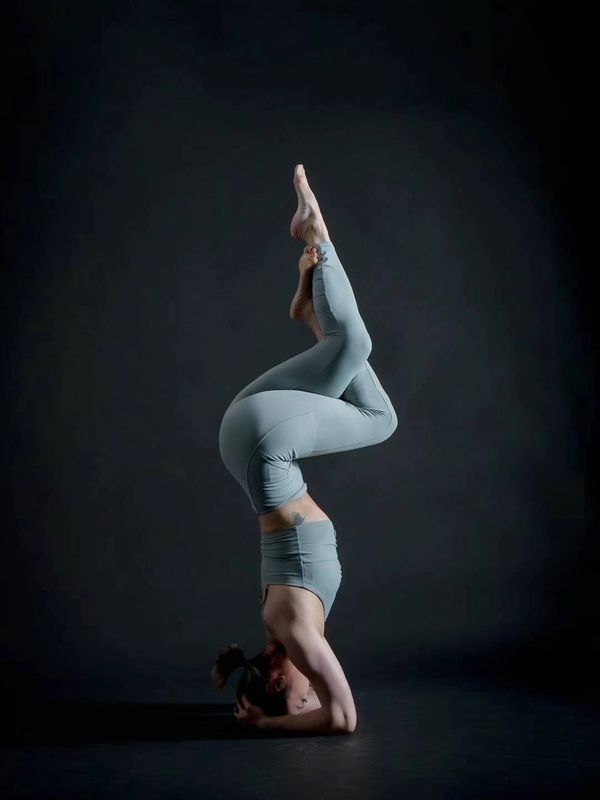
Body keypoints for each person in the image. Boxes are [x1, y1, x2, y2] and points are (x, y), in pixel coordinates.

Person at [212, 164, 398, 734]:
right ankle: (312, 320)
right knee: (375, 405)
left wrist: (266, 725)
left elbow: (341, 719)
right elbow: (310, 699)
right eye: (305, 702)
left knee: (358, 355)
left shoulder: (294, 630)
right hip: (243, 436)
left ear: (277, 680)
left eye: (298, 699)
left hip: (267, 447)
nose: (310, 696)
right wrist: (252, 702)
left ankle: (315, 232)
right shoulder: (278, 621)